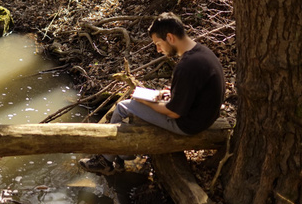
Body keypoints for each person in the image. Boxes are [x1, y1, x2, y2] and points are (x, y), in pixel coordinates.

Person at [79, 12, 225, 175]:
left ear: (169, 37)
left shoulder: (186, 66)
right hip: (205, 116)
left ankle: (109, 160)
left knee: (123, 107)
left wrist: (146, 101)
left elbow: (174, 112)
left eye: (158, 43)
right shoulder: (202, 52)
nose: (157, 50)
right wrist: (171, 94)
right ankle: (118, 157)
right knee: (145, 99)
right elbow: (196, 90)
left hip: (189, 125)